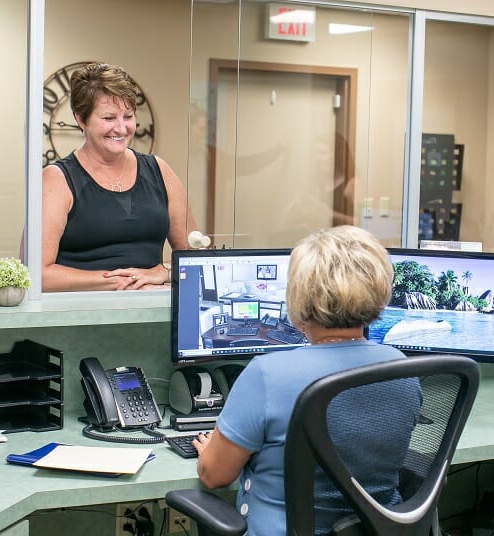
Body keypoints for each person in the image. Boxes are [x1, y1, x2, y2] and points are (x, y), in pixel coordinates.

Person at [192, 225, 423, 535]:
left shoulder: (266, 374)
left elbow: (214, 476)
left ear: (299, 297)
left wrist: (210, 451)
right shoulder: (403, 369)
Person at [42, 62, 197, 292]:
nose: (121, 128)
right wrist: (114, 281)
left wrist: (165, 271)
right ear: (81, 120)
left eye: (128, 116)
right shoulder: (56, 179)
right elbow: (37, 273)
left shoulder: (160, 170)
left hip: (154, 317)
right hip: (82, 318)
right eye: (108, 118)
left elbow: (195, 258)